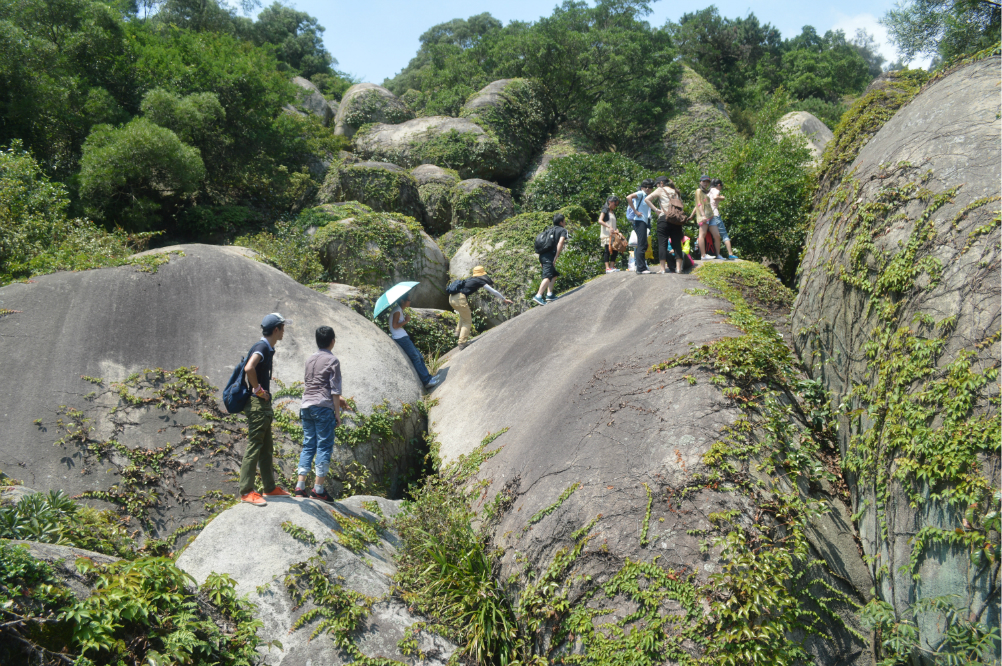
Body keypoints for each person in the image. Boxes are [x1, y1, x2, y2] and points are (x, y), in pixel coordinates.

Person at [239, 313, 291, 506]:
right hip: (257, 405)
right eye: (283, 328)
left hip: (263, 406)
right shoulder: (261, 346)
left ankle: (269, 488)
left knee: (267, 447)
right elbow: (249, 368)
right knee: (255, 446)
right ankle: (246, 491)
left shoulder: (267, 347)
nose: (284, 331)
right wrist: (258, 390)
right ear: (276, 329)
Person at [295, 325, 347, 503]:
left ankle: (300, 487)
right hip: (323, 408)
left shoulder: (310, 359)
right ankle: (318, 489)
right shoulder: (333, 361)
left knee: (308, 444)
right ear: (332, 341)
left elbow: (312, 384)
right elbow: (334, 390)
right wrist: (337, 414)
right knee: (324, 446)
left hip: (306, 406)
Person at [450, 266, 512, 350]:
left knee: (463, 314)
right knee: (467, 321)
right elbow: (493, 291)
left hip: (451, 298)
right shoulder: (479, 281)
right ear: (482, 274)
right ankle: (462, 342)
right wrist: (504, 299)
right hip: (459, 298)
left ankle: (457, 331)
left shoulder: (470, 279)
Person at [390, 296, 442, 389]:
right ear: (402, 301)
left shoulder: (399, 310)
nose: (410, 301)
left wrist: (405, 320)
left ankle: (429, 378)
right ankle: (426, 381)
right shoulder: (397, 310)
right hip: (400, 338)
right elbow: (394, 325)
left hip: (403, 337)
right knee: (416, 357)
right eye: (409, 300)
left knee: (419, 356)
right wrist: (406, 321)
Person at [645, 176, 692, 274]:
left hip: (664, 218)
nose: (657, 186)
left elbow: (647, 199)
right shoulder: (676, 191)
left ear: (661, 183)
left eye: (658, 184)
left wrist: (656, 210)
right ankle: (679, 268)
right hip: (676, 220)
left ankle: (662, 269)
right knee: (677, 243)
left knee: (662, 244)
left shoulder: (660, 190)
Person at [533, 213, 568, 306]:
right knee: (548, 276)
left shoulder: (550, 230)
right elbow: (560, 242)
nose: (565, 222)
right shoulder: (562, 230)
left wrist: (542, 260)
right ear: (561, 222)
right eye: (564, 220)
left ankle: (549, 294)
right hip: (549, 256)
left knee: (553, 274)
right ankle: (538, 296)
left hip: (543, 256)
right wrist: (556, 256)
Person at [626, 179, 654, 274]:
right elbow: (628, 197)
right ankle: (640, 268)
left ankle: (640, 267)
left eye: (650, 187)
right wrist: (635, 211)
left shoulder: (647, 196)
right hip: (639, 221)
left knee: (643, 244)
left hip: (643, 222)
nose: (648, 189)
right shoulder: (641, 193)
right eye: (646, 187)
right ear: (642, 187)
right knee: (642, 245)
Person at [708, 178, 737, 260]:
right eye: (721, 186)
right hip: (715, 214)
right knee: (724, 234)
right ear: (719, 185)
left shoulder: (708, 191)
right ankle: (730, 254)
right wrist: (722, 197)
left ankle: (714, 254)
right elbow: (715, 197)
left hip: (707, 215)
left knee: (714, 236)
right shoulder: (716, 190)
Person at [688, 175, 714, 259]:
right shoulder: (699, 191)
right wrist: (703, 216)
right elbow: (699, 204)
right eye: (704, 181)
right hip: (704, 217)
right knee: (702, 235)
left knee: (713, 234)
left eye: (707, 182)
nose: (706, 183)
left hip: (708, 216)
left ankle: (706, 254)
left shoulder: (704, 192)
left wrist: (691, 215)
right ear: (700, 182)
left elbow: (696, 206)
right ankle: (703, 255)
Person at [598, 195, 621, 273]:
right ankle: (607, 268)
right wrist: (609, 227)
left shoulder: (612, 212)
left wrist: (616, 229)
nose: (616, 206)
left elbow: (613, 223)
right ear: (610, 202)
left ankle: (612, 266)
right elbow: (600, 220)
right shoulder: (605, 210)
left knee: (615, 250)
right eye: (615, 204)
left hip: (613, 234)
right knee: (607, 250)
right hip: (607, 234)